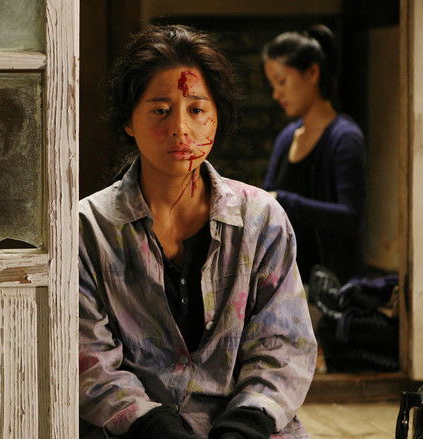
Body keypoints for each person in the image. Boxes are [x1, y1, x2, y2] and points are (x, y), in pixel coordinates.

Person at [79, 25, 316, 439]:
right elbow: (87, 357)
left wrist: (243, 426)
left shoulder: (262, 220)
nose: (180, 128)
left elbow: (284, 344)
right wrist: (152, 424)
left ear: (216, 117)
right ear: (129, 121)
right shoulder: (88, 227)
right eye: (160, 110)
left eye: (196, 109)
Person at [261, 25, 366, 284]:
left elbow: (350, 217)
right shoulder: (287, 137)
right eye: (273, 85)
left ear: (312, 73)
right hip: (286, 283)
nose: (276, 94)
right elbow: (267, 197)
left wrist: (285, 200)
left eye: (282, 81)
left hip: (330, 286)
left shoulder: (344, 137)